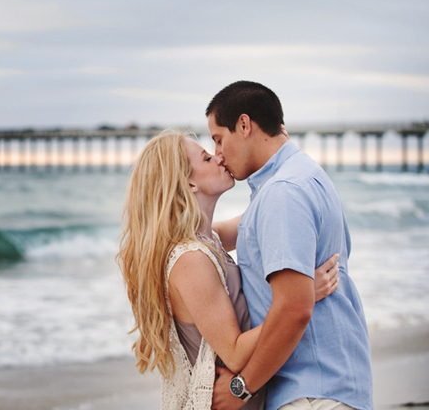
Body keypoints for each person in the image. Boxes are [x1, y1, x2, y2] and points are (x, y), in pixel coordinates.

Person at [116, 129, 340, 410]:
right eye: (207, 158)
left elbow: (272, 210)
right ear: (190, 183)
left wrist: (274, 142)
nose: (220, 158)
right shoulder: (191, 259)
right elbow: (233, 353)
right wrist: (303, 296)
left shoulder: (208, 239)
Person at [206, 81, 373, 410]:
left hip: (312, 391)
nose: (218, 154)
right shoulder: (298, 178)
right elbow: (233, 230)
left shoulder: (284, 193)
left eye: (218, 139)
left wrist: (242, 387)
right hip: (328, 384)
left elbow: (295, 309)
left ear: (244, 124)